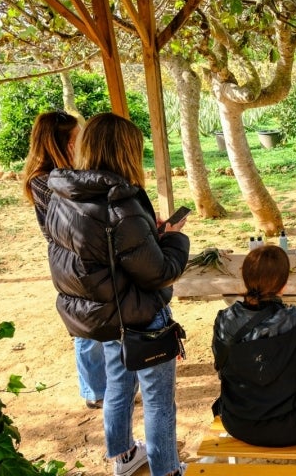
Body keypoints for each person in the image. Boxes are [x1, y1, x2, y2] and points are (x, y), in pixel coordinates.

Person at [45, 113, 190, 476]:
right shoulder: (120, 203)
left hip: (103, 315)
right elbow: (158, 271)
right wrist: (172, 237)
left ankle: (123, 457)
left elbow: (99, 253)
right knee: (159, 402)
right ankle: (167, 470)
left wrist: (144, 235)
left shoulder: (63, 195)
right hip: (140, 317)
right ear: (125, 152)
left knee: (117, 387)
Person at [22, 110, 107, 410]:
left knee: (95, 319)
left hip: (81, 257)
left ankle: (103, 384)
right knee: (84, 323)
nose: (83, 142)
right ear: (63, 144)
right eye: (78, 137)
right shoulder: (44, 182)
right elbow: (75, 219)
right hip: (70, 260)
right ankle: (95, 390)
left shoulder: (67, 175)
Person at [211, 245, 296, 446]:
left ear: (246, 279)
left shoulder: (225, 321)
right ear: (284, 284)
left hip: (240, 423)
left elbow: (221, 366)